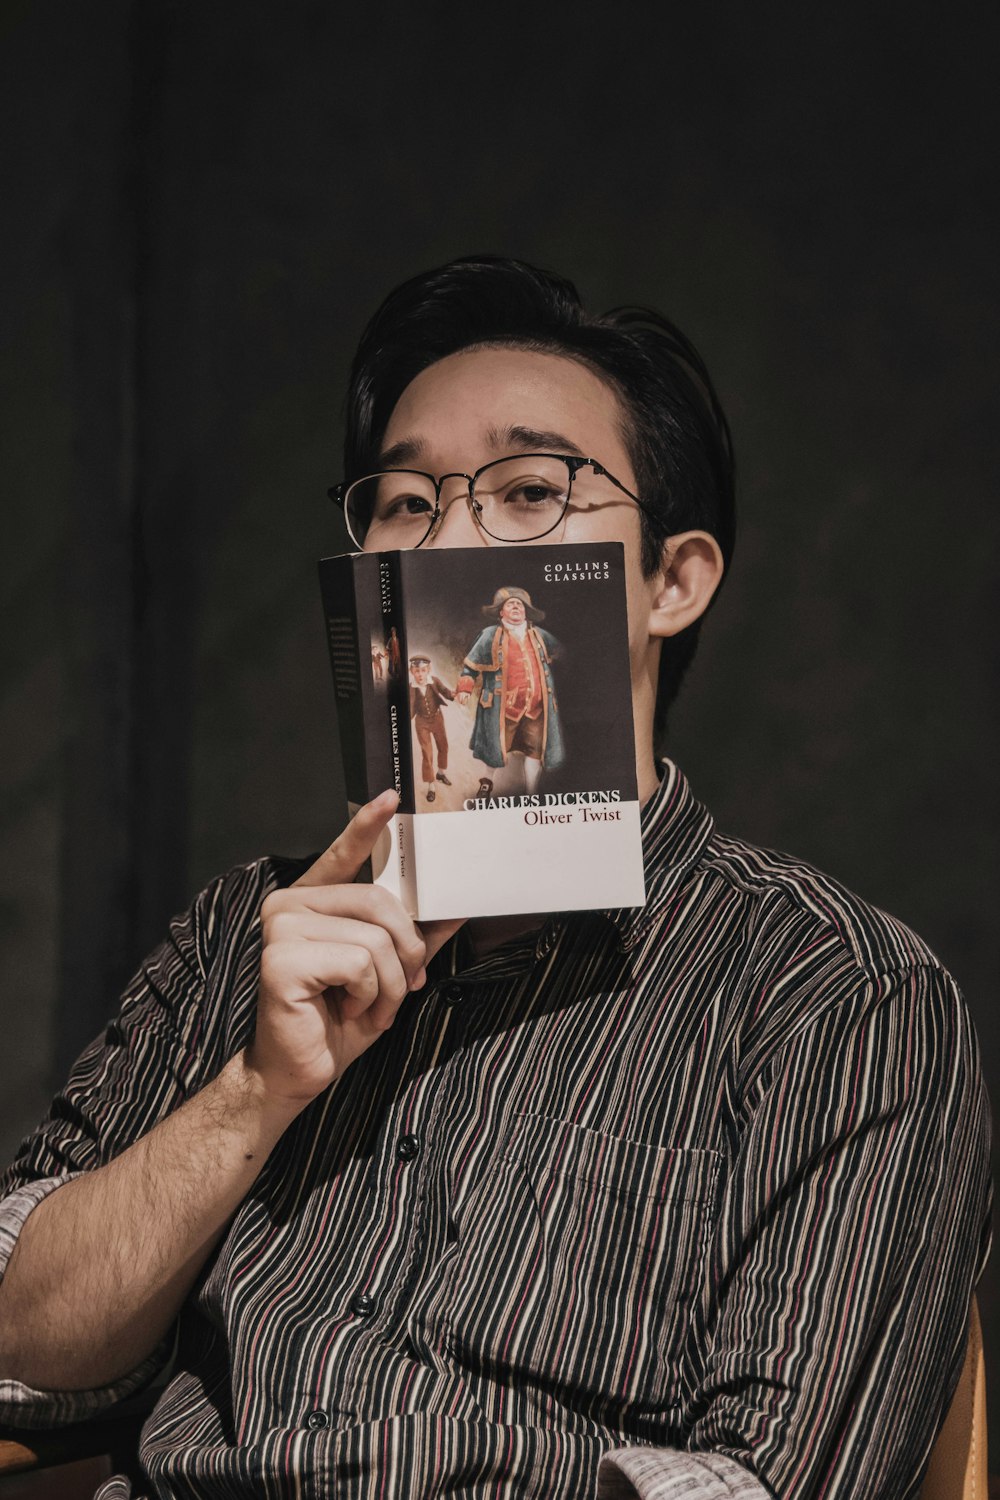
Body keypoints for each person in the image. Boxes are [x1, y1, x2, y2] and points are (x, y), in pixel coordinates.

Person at [0, 256, 990, 1500]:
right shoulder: (242, 933)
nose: (453, 535)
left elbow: (778, 1478)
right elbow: (19, 1345)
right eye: (405, 501)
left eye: (529, 489)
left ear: (669, 582)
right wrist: (254, 1092)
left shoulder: (838, 996)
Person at [456, 586, 563, 795]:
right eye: (510, 604)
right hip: (502, 707)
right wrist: (465, 689)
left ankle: (532, 791)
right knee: (495, 749)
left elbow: (560, 652)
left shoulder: (540, 636)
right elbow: (470, 667)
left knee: (535, 751)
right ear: (500, 612)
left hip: (536, 707)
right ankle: (487, 782)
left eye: (520, 604)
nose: (516, 607)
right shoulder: (489, 635)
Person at [408, 655, 455, 802]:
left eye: (423, 670)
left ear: (428, 670)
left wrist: (456, 694)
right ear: (412, 672)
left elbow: (446, 692)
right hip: (421, 722)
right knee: (427, 753)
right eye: (417, 671)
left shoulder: (434, 681)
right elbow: (408, 707)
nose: (420, 674)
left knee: (443, 746)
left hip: (437, 719)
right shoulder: (410, 688)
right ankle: (431, 786)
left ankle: (441, 773)